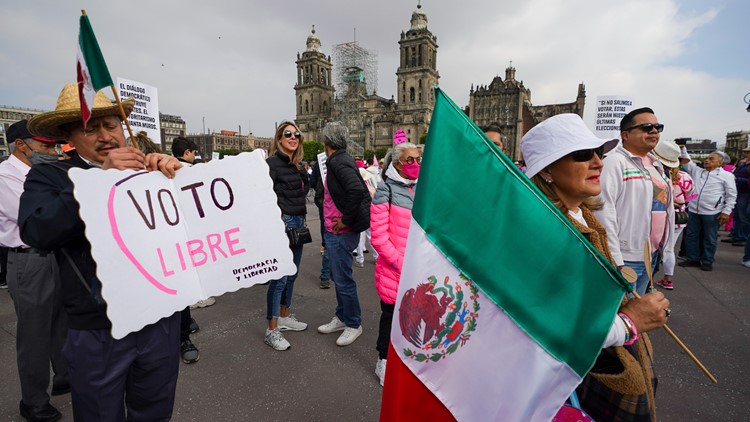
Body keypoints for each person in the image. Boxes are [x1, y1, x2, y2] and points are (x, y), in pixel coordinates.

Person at [19, 84, 183, 421]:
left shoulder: (148, 169)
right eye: (90, 128)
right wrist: (101, 181)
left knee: (155, 412)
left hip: (159, 318)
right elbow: (37, 230)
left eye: (111, 125)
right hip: (97, 327)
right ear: (69, 135)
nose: (105, 135)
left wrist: (177, 177)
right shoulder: (51, 175)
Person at [521, 113, 670, 421]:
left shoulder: (584, 218)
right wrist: (629, 323)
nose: (598, 162)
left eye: (599, 153)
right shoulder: (546, 235)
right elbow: (547, 331)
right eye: (581, 155)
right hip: (569, 382)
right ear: (547, 170)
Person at [0, 120, 69, 422]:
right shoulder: (5, 177)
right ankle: (33, 401)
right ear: (21, 146)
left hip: (56, 254)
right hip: (28, 259)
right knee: (35, 335)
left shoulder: (42, 174)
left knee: (62, 323)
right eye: (44, 146)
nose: (51, 151)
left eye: (53, 146)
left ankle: (64, 377)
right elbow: (40, 216)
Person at [594, 107, 674, 295]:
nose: (654, 131)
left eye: (657, 127)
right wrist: (615, 258)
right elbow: (603, 211)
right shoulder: (615, 162)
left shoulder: (656, 164)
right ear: (625, 135)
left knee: (638, 313)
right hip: (626, 258)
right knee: (623, 315)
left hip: (651, 255)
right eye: (646, 127)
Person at [370, 142, 420, 386]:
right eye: (410, 160)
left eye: (418, 159)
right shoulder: (385, 190)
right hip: (395, 270)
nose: (416, 165)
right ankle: (383, 360)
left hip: (418, 267)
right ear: (397, 163)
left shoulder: (420, 189)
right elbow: (378, 237)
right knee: (390, 317)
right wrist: (402, 262)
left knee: (412, 316)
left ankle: (405, 359)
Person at [316, 122, 371, 347]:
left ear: (326, 141)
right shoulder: (338, 159)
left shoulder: (339, 161)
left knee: (343, 279)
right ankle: (342, 316)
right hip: (335, 229)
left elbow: (357, 190)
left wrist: (345, 220)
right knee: (339, 278)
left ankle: (353, 323)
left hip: (341, 231)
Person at [264, 121, 309, 351]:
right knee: (279, 277)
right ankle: (271, 329)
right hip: (283, 223)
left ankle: (284, 315)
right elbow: (263, 196)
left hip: (299, 222)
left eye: (297, 134)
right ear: (279, 138)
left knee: (292, 274)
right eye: (287, 134)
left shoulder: (297, 165)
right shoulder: (271, 164)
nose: (293, 137)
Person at [677, 148, 737, 271]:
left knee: (710, 237)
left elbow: (731, 195)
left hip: (712, 212)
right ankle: (692, 258)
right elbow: (687, 161)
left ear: (720, 163)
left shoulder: (727, 176)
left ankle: (707, 261)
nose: (707, 160)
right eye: (706, 158)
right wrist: (683, 147)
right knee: (691, 235)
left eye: (711, 159)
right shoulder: (698, 171)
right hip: (694, 210)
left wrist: (726, 211)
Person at [649, 140, 694, 290]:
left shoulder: (657, 175)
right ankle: (667, 278)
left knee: (654, 247)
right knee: (668, 248)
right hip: (679, 216)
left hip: (660, 215)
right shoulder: (686, 177)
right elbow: (690, 195)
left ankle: (653, 279)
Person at [310, 159, 332, 288]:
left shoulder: (321, 162)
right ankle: (327, 275)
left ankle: (326, 275)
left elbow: (312, 181)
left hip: (328, 208)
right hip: (332, 210)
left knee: (329, 240)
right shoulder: (347, 161)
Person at [727, 146, 750, 246]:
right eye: (745, 152)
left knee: (743, 217)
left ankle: (742, 237)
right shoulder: (742, 163)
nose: (746, 154)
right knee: (736, 215)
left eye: (748, 152)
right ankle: (736, 235)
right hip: (738, 191)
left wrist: (736, 179)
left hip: (745, 193)